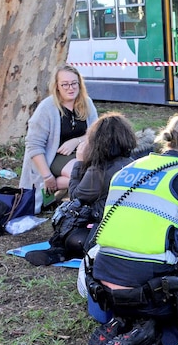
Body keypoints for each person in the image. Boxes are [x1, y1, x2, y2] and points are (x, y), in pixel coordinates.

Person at [87, 112, 178, 345]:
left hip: (102, 285)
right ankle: (155, 338)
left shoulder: (131, 167)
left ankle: (128, 322)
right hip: (147, 288)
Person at [26, 113, 138, 266]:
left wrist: (79, 161)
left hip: (105, 231)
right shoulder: (134, 163)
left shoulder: (99, 170)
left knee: (72, 237)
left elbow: (76, 196)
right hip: (131, 230)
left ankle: (61, 251)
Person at [20, 65, 98, 194]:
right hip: (54, 156)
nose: (70, 88)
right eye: (65, 84)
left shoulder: (87, 103)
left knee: (99, 174)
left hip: (81, 153)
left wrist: (76, 141)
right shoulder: (47, 108)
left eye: (74, 83)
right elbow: (33, 145)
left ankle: (59, 187)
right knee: (86, 177)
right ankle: (49, 186)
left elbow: (96, 133)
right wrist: (47, 176)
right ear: (57, 86)